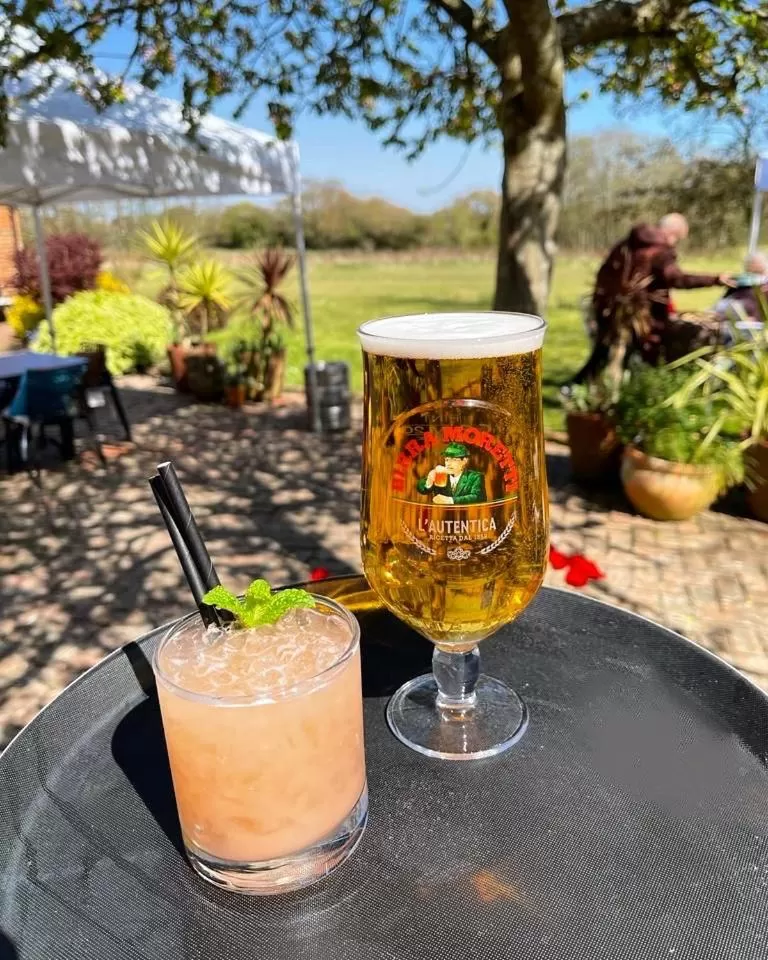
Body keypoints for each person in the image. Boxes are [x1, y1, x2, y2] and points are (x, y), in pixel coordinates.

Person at [571, 214, 733, 383]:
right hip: (642, 315)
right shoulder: (660, 251)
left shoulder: (626, 244)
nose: (675, 243)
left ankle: (581, 388)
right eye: (678, 239)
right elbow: (676, 278)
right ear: (673, 233)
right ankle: (638, 390)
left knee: (605, 352)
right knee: (652, 351)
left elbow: (606, 274)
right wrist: (715, 279)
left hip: (611, 309)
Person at [416, 442, 485, 505]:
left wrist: (450, 500)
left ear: (464, 461)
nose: (449, 464)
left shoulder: (475, 477)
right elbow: (421, 489)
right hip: (441, 516)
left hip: (467, 516)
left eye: (454, 460)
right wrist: (429, 481)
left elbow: (477, 497)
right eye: (447, 460)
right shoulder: (441, 474)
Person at [715, 251, 768, 324]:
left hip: (752, 323)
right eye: (750, 272)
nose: (753, 275)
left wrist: (756, 318)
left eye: (757, 272)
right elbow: (721, 304)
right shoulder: (741, 282)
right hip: (728, 319)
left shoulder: (765, 286)